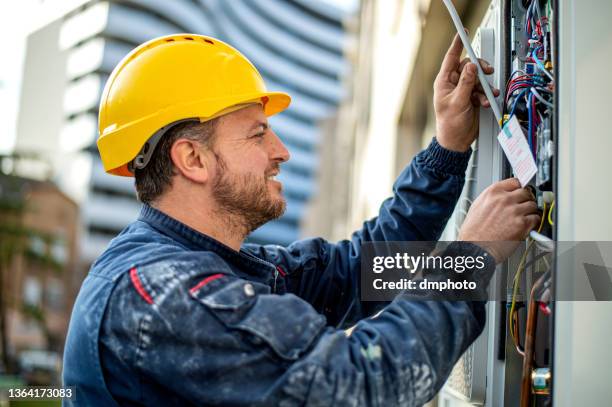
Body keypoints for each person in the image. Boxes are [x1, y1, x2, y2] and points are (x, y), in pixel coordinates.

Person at [63, 34, 539, 406]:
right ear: (193, 159)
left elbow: (360, 270)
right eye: (258, 134)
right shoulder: (163, 295)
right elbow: (360, 383)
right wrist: (469, 258)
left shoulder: (204, 268)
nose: (282, 153)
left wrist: (448, 147)